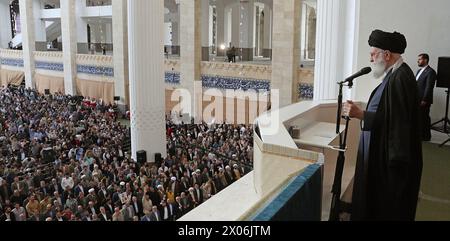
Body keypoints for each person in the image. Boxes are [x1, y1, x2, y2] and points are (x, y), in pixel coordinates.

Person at [344, 29, 423, 220]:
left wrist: (362, 115)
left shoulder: (400, 78)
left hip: (394, 167)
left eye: (373, 54)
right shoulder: (395, 75)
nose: (370, 59)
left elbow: (398, 124)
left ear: (386, 55)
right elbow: (390, 115)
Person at [416, 53, 437, 141]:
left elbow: (429, 87)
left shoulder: (431, 72)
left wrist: (424, 99)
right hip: (417, 98)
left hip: (424, 100)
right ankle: (420, 135)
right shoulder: (419, 71)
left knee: (424, 118)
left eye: (420, 59)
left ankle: (426, 137)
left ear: (425, 60)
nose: (418, 61)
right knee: (419, 118)